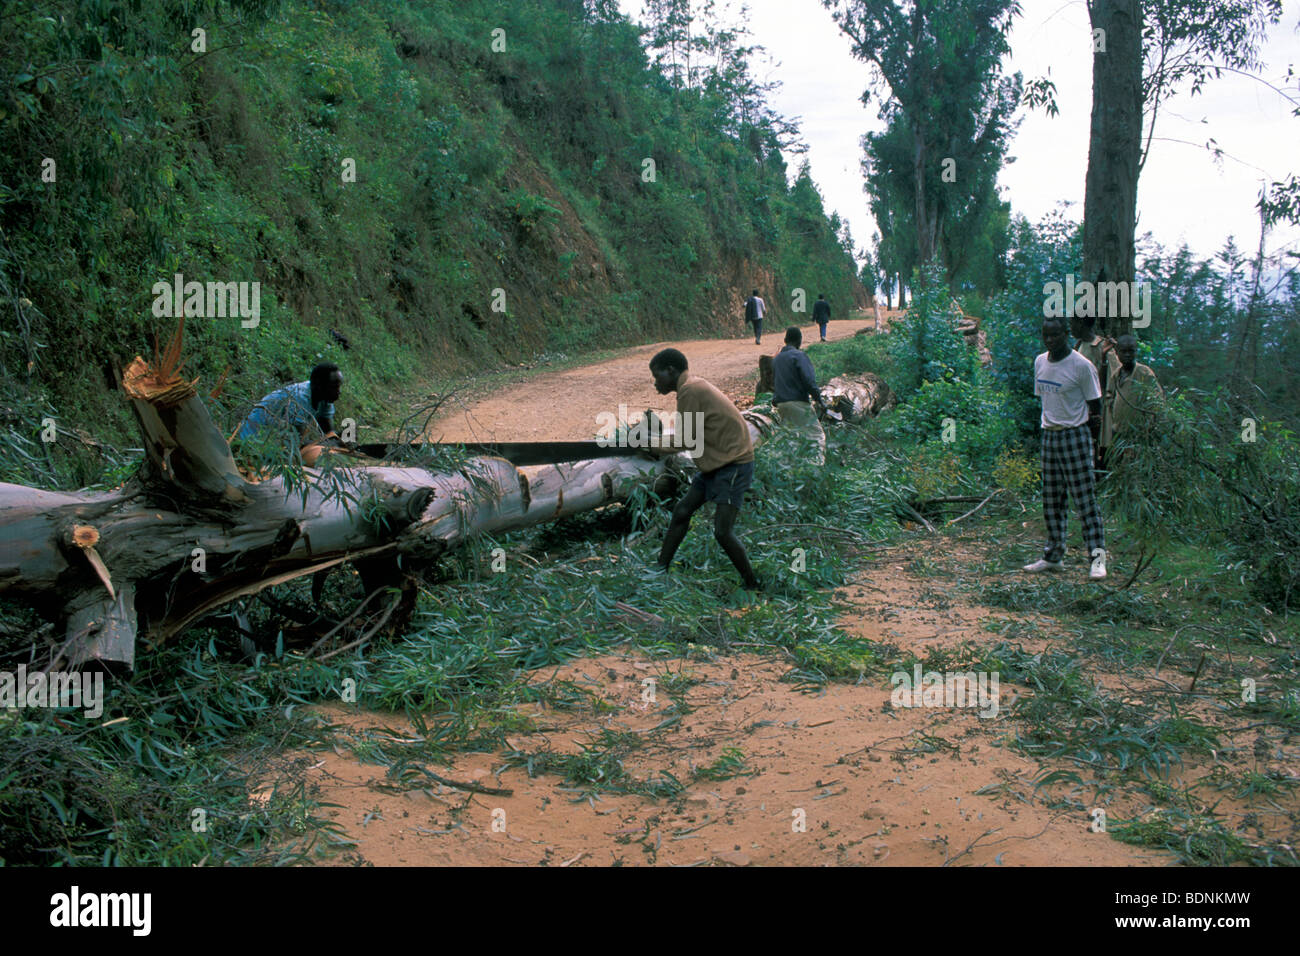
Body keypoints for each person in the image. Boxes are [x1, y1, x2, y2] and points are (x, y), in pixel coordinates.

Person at [646, 348, 762, 590]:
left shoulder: (690, 390)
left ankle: (753, 585)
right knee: (681, 511)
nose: (655, 382)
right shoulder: (691, 387)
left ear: (671, 370)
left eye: (657, 376)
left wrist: (649, 446)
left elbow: (686, 440)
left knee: (722, 531)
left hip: (733, 465)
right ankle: (659, 570)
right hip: (716, 464)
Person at [1023, 317, 1107, 580]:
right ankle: (1053, 556)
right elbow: (1046, 401)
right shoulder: (1040, 362)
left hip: (1076, 436)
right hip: (1050, 435)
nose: (1050, 341)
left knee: (1085, 501)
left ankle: (1097, 560)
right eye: (1046, 335)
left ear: (1066, 334)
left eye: (1056, 335)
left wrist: (1095, 447)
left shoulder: (1082, 366)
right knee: (1052, 500)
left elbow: (1096, 409)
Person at [236, 363, 345, 466]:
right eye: (334, 387)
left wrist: (341, 440)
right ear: (319, 385)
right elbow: (297, 445)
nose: (339, 391)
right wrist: (335, 444)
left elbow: (329, 435)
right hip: (253, 442)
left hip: (274, 442)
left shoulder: (325, 398)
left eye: (339, 386)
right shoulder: (300, 398)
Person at [1101, 334, 1165, 464]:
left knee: (1136, 466)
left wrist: (1148, 425)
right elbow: (1108, 395)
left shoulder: (1144, 373)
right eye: (1123, 351)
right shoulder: (1117, 374)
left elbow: (1157, 399)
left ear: (1136, 352)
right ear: (1117, 353)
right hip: (1118, 431)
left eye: (1131, 351)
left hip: (1138, 433)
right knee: (1117, 465)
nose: (1127, 355)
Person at [772, 327, 828, 465]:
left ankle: (786, 470)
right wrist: (819, 400)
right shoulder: (799, 356)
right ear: (799, 341)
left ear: (785, 341)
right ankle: (816, 469)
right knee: (816, 436)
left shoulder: (777, 359)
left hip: (781, 404)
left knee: (791, 438)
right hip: (798, 402)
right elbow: (809, 381)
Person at [1070, 314, 1120, 465]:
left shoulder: (1101, 346)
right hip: (1079, 409)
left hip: (1098, 409)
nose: (1071, 327)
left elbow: (1115, 377)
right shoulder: (1078, 346)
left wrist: (1104, 358)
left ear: (1081, 324)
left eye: (1072, 323)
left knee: (1100, 453)